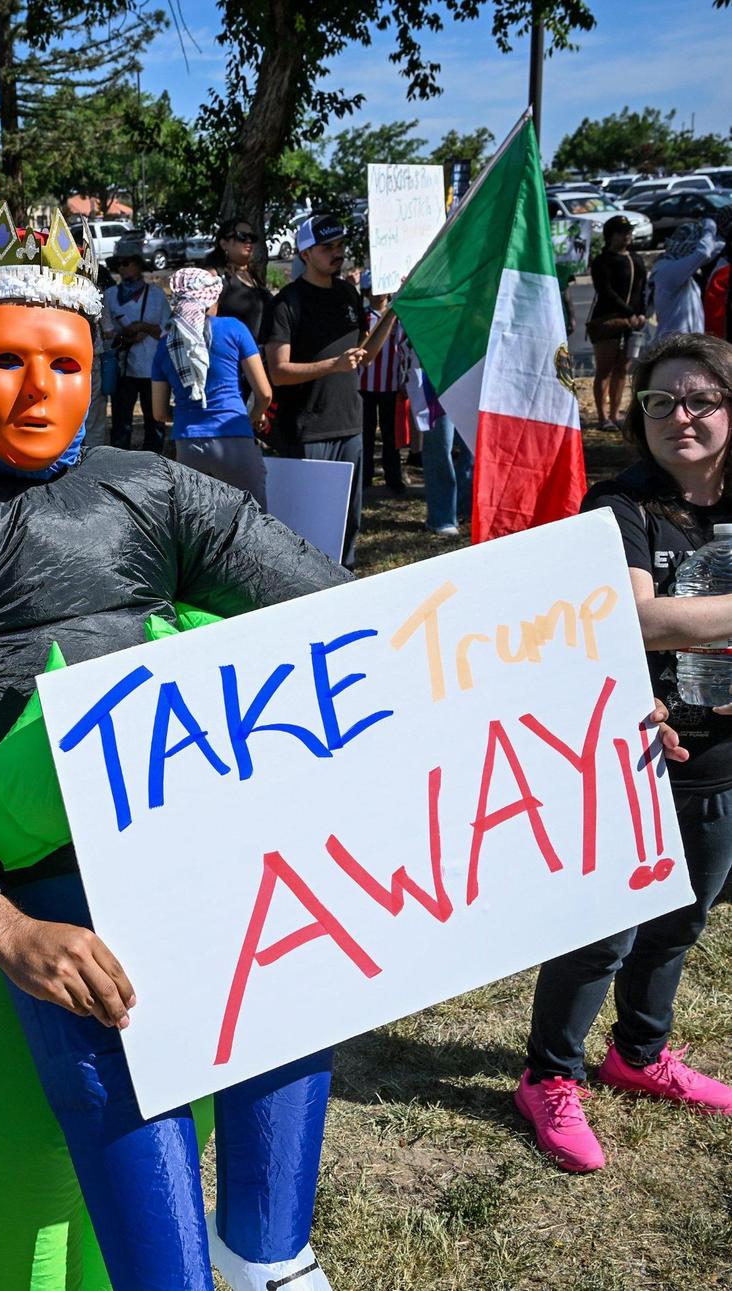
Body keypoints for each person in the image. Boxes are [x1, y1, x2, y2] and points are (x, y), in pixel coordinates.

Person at [0, 201, 351, 1290]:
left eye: (64, 361)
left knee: (290, 977)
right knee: (112, 1044)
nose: (37, 388)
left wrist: (573, 668)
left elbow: (341, 613)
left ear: (96, 368)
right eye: (5, 360)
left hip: (219, 837)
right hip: (64, 880)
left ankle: (270, 1257)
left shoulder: (153, 487)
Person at [516, 331, 732, 1175]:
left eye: (700, 400)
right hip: (632, 754)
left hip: (720, 759)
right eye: (658, 402)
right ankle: (548, 1075)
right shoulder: (621, 508)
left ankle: (638, 1055)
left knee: (683, 919)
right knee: (603, 929)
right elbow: (637, 618)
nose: (679, 416)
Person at [266, 213, 393, 572]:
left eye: (340, 245)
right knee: (307, 530)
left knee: (348, 524)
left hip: (349, 424)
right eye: (327, 247)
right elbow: (278, 372)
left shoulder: (348, 294)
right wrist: (332, 366)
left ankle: (344, 580)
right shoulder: (287, 303)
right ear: (305, 253)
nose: (337, 253)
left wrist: (394, 312)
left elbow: (363, 357)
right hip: (307, 429)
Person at [150, 267, 272, 508]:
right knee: (254, 525)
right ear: (212, 299)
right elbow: (265, 393)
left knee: (200, 530)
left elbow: (159, 413)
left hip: (188, 445)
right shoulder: (233, 328)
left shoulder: (166, 344)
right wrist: (254, 416)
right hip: (234, 435)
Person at [102, 240, 170, 451]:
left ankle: (156, 466)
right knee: (121, 424)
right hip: (124, 369)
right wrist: (126, 335)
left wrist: (145, 328)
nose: (122, 268)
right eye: (119, 264)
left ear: (138, 264)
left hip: (153, 370)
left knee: (155, 422)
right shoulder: (110, 296)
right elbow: (106, 332)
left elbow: (168, 330)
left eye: (127, 262)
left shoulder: (157, 295)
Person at [587, 214, 647, 430]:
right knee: (605, 369)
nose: (627, 236)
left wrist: (641, 313)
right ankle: (603, 417)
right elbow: (606, 291)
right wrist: (628, 312)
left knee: (623, 368)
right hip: (608, 321)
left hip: (632, 323)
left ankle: (615, 414)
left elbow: (642, 288)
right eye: (622, 233)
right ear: (610, 236)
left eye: (629, 232)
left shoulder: (636, 259)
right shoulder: (602, 261)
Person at [358, 270, 409, 495]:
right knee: (366, 434)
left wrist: (404, 381)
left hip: (390, 385)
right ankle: (365, 475)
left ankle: (393, 477)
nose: (376, 295)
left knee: (390, 436)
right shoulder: (363, 317)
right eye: (371, 291)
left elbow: (404, 350)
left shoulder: (397, 317)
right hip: (363, 385)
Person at [650, 219, 725, 341]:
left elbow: (717, 248)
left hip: (687, 342)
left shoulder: (680, 269)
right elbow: (703, 253)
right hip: (674, 344)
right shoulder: (668, 269)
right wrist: (709, 227)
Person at [204, 217, 274, 347]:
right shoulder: (214, 277)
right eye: (242, 236)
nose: (248, 241)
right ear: (224, 243)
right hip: (234, 360)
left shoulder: (253, 276)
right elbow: (205, 325)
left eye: (252, 237)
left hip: (261, 358)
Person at [420, 373, 472, 537]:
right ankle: (441, 518)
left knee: (471, 445)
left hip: (467, 375)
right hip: (434, 377)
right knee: (440, 446)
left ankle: (465, 508)